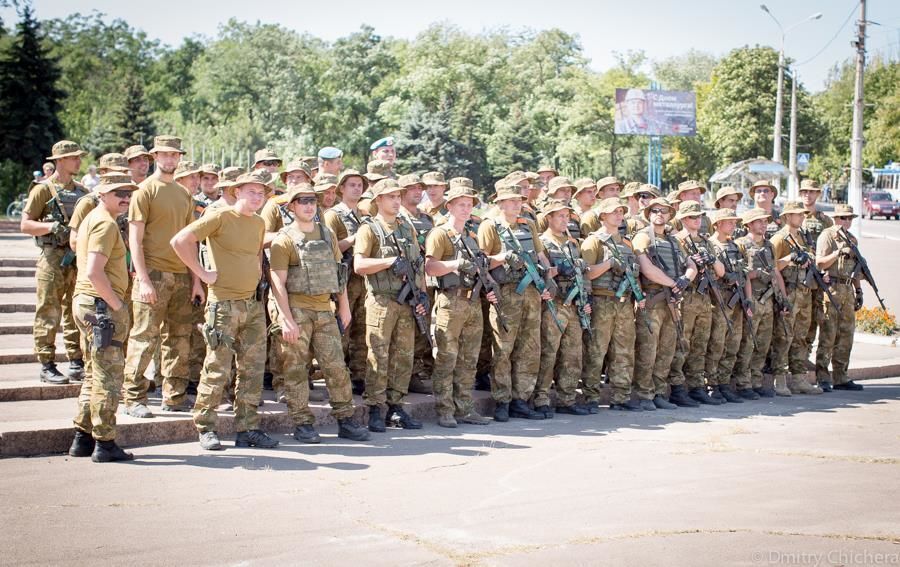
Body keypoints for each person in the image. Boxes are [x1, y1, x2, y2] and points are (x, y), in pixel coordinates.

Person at [171, 169, 279, 451]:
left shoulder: (257, 223)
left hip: (252, 304)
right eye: (252, 192)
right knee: (217, 367)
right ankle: (205, 426)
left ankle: (248, 428)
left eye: (262, 193)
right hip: (223, 305)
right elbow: (180, 241)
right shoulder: (219, 216)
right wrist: (201, 273)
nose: (257, 197)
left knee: (252, 370)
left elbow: (256, 254)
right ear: (237, 191)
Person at [268, 184, 370, 442]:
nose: (308, 205)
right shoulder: (284, 239)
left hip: (325, 310)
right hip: (297, 310)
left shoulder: (326, 234)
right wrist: (286, 319)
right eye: (302, 201)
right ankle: (302, 423)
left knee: (336, 367)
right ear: (291, 206)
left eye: (312, 200)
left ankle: (346, 419)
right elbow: (277, 282)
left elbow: (339, 273)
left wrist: (344, 306)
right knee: (295, 369)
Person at [121, 136, 197, 418]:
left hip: (181, 275)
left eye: (174, 155)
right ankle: (133, 397)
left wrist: (197, 280)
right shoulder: (144, 191)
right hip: (152, 273)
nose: (170, 160)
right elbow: (135, 240)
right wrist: (142, 279)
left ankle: (174, 396)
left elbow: (191, 241)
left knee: (178, 339)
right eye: (165, 155)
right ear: (155, 157)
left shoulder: (183, 193)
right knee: (143, 337)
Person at [68, 173, 139, 463]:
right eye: (118, 192)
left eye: (128, 193)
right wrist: (116, 305)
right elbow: (94, 272)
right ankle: (105, 443)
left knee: (93, 373)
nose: (125, 197)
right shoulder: (104, 223)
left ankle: (82, 438)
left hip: (90, 304)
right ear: (102, 194)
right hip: (101, 307)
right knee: (109, 378)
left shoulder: (96, 218)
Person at [354, 178, 427, 432]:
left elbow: (418, 265)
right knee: (378, 354)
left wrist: (421, 296)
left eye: (398, 196)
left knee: (403, 356)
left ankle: (396, 407)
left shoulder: (407, 228)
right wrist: (388, 262)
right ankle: (375, 407)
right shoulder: (370, 229)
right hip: (382, 300)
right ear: (378, 200)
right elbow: (359, 265)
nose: (396, 201)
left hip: (407, 300)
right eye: (391, 197)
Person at [477, 186, 554, 421]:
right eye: (509, 201)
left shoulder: (528, 224)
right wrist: (495, 277)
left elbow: (540, 256)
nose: (516, 204)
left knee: (529, 348)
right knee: (503, 349)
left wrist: (547, 281)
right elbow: (481, 262)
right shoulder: (489, 226)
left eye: (518, 200)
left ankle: (521, 399)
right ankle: (502, 400)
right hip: (506, 292)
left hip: (531, 291)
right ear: (499, 204)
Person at [423, 185, 495, 427]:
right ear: (450, 206)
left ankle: (464, 407)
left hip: (472, 301)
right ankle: (445, 409)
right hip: (450, 300)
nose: (466, 209)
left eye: (469, 205)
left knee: (469, 358)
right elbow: (430, 268)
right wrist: (456, 264)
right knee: (446, 356)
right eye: (461, 204)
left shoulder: (471, 237)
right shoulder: (440, 234)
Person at [20, 140, 88, 384]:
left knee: (75, 310)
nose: (78, 161)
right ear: (59, 161)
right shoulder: (43, 190)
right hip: (51, 257)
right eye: (73, 158)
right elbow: (25, 225)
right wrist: (50, 226)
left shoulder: (82, 192)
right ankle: (47, 364)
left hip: (76, 258)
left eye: (79, 157)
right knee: (48, 310)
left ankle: (76, 360)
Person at [631, 197, 698, 409]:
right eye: (655, 210)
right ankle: (644, 394)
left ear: (670, 215)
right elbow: (646, 268)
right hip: (652, 301)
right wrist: (673, 284)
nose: (660, 214)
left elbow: (691, 264)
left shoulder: (673, 240)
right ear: (649, 214)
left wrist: (685, 279)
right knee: (648, 350)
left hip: (671, 301)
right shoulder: (642, 237)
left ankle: (659, 392)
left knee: (667, 349)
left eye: (664, 211)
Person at [581, 197, 644, 411]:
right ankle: (590, 397)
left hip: (624, 302)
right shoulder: (594, 241)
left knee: (624, 350)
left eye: (621, 211)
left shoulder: (627, 243)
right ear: (602, 216)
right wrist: (609, 264)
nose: (619, 215)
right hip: (602, 300)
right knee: (596, 351)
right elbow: (586, 273)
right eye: (614, 212)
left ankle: (621, 396)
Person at [533, 200, 592, 417]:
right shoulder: (543, 243)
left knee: (573, 353)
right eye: (560, 216)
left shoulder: (572, 244)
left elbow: (583, 274)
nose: (564, 220)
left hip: (574, 304)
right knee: (549, 352)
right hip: (554, 304)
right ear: (549, 217)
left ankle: (567, 398)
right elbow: (541, 273)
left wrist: (587, 298)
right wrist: (557, 270)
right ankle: (541, 397)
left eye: (567, 216)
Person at [669, 201, 726, 405]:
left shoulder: (705, 240)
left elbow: (721, 272)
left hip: (703, 299)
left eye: (699, 216)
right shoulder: (676, 240)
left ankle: (696, 385)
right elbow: (676, 270)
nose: (697, 220)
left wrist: (710, 259)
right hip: (685, 297)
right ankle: (677, 387)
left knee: (700, 344)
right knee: (681, 343)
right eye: (693, 217)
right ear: (683, 219)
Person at [733, 208, 789, 399]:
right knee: (748, 343)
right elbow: (737, 274)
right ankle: (743, 382)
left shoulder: (768, 245)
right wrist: (755, 274)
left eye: (765, 221)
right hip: (752, 300)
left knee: (763, 344)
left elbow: (776, 272)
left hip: (768, 300)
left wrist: (783, 298)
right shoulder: (740, 244)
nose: (763, 224)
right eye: (758, 221)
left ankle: (756, 381)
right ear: (748, 224)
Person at [324, 169, 370, 394]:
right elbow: (329, 248)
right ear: (341, 188)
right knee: (341, 328)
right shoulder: (334, 215)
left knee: (362, 330)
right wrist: (355, 238)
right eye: (351, 184)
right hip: (343, 279)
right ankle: (337, 378)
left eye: (360, 185)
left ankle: (359, 376)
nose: (356, 188)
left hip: (364, 280)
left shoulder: (364, 215)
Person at [769, 201, 822, 395]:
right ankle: (780, 380)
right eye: (798, 214)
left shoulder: (803, 236)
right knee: (784, 337)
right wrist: (790, 258)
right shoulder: (779, 239)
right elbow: (772, 267)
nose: (801, 217)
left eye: (802, 214)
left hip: (804, 293)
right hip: (789, 293)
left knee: (801, 336)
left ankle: (799, 378)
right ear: (787, 216)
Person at [815, 205, 865, 392]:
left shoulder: (852, 240)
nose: (847, 221)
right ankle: (822, 377)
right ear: (835, 219)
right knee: (828, 335)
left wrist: (858, 291)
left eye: (849, 218)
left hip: (847, 289)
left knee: (846, 335)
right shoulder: (827, 236)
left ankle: (841, 376)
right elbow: (819, 262)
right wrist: (837, 253)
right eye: (843, 218)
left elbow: (856, 271)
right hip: (831, 289)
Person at [704, 209, 750, 403]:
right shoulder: (711, 245)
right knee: (716, 343)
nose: (733, 225)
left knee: (733, 342)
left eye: (734, 222)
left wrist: (748, 299)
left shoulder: (734, 246)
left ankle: (724, 382)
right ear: (718, 224)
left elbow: (744, 273)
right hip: (720, 300)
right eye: (729, 222)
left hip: (736, 300)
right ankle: (711, 384)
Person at [398, 174, 435, 394]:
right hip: (404, 281)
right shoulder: (398, 218)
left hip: (425, 279)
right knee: (405, 330)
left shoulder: (427, 219)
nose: (417, 191)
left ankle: (414, 372)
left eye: (419, 188)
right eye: (412, 188)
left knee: (423, 329)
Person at [798, 179, 833, 363]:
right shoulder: (791, 215)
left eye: (811, 192)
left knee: (812, 317)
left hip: (816, 276)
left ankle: (804, 357)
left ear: (818, 194)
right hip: (795, 277)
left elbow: (829, 246)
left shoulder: (825, 220)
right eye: (804, 191)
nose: (807, 195)